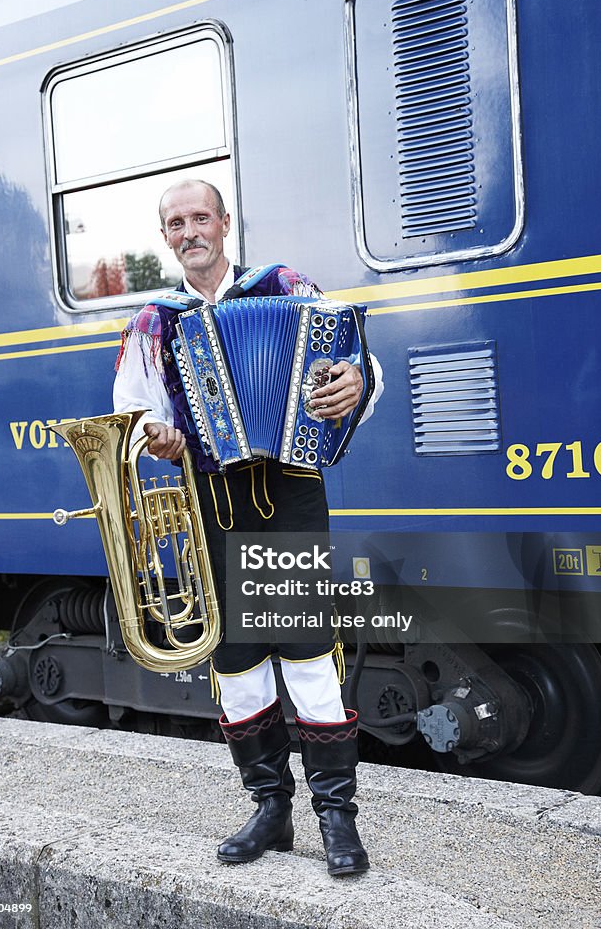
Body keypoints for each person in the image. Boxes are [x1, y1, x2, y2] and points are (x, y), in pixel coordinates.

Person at [114, 178, 383, 876]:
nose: (189, 230)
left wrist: (355, 385)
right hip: (211, 502)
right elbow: (135, 410)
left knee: (307, 660)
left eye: (199, 216)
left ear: (225, 223)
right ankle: (271, 810)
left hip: (287, 495)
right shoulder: (154, 321)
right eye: (175, 223)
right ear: (166, 237)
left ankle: (336, 819)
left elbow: (357, 365)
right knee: (235, 664)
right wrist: (159, 439)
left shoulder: (283, 286)